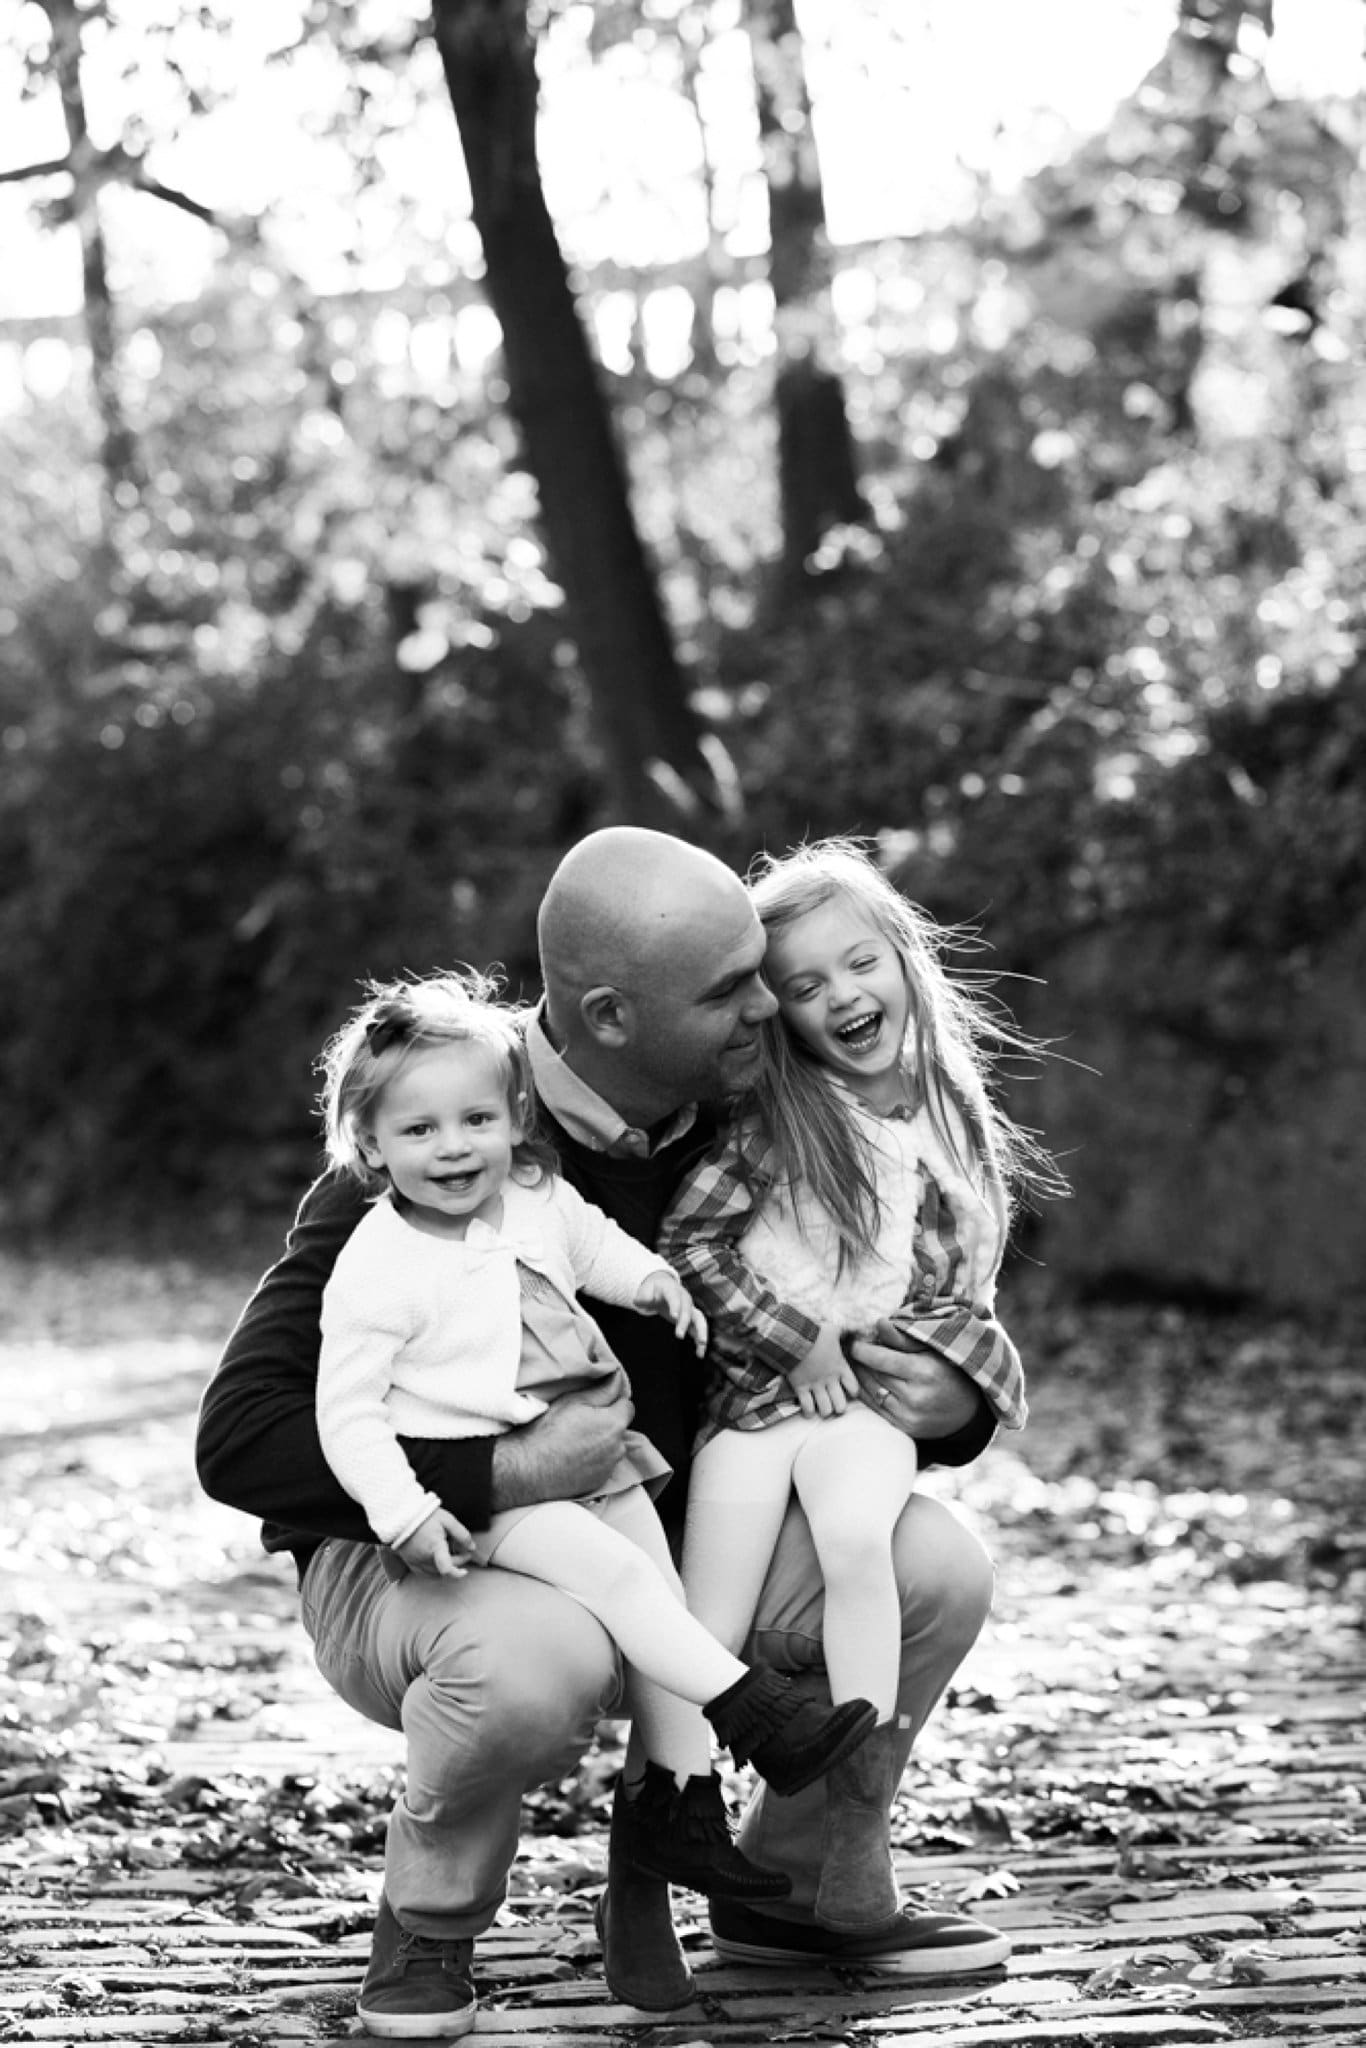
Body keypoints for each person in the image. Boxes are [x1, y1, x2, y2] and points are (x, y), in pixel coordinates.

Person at [195, 827, 1015, 2040]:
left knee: (930, 1566)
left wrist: (953, 1404)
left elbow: (891, 1279)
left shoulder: (747, 1116)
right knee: (535, 1659)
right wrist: (502, 1470)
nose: (767, 1011)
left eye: (762, 975)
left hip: (669, 1537)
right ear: (611, 1015)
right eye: (731, 989)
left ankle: (788, 1884)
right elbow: (242, 1437)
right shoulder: (444, 1137)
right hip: (428, 1554)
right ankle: (428, 1920)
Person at [313, 968, 876, 1911]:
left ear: (513, 1116)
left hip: (602, 1456)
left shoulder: (533, 1193)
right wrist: (408, 1511)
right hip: (490, 1496)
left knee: (660, 1587)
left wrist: (655, 1280)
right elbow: (347, 1416)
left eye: (476, 1121)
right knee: (618, 1582)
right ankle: (757, 1720)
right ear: (369, 1143)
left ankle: (684, 1806)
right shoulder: (378, 1266)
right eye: (419, 1131)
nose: (455, 1150)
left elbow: (594, 1241)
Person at [659, 838, 1055, 1933]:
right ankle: (667, 1826)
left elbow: (953, 1287)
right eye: (803, 985)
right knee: (705, 1613)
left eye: (859, 961)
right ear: (773, 1012)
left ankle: (852, 1822)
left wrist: (963, 1381)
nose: (841, 995)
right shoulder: (781, 1119)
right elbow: (690, 1238)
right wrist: (794, 1337)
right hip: (748, 1407)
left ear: (905, 959)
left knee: (861, 1544)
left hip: (858, 1423)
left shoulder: (951, 1116)